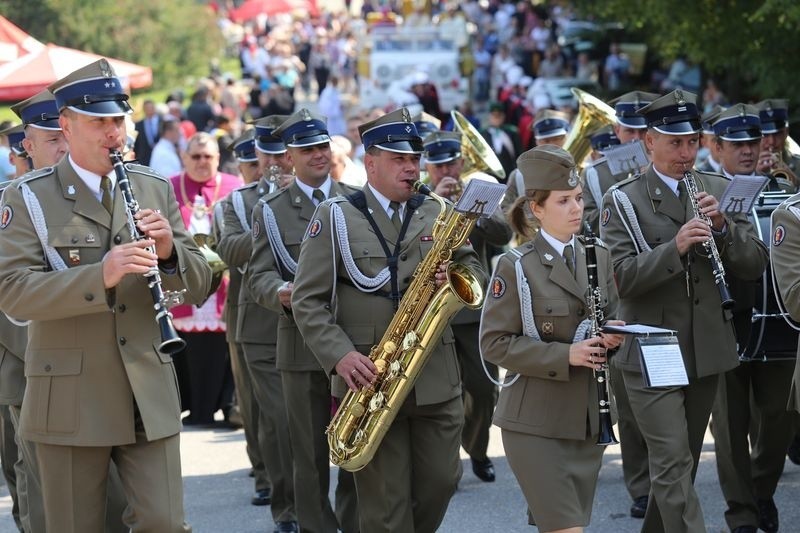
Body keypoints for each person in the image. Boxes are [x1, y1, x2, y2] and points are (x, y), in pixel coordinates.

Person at [0, 58, 212, 533]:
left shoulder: (152, 188)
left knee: (165, 522)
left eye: (118, 120)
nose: (113, 132)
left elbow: (196, 285)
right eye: (99, 122)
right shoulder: (28, 197)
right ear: (67, 125)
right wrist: (100, 277)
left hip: (147, 388)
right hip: (72, 394)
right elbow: (12, 293)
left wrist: (171, 254)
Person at [291, 108, 484, 532]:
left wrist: (453, 277)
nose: (412, 167)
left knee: (441, 483)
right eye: (399, 159)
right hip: (371, 379)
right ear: (371, 162)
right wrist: (339, 356)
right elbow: (307, 300)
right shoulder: (336, 214)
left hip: (435, 375)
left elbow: (474, 273)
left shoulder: (437, 209)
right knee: (385, 508)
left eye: (414, 157)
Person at [599, 89, 768, 532]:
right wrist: (674, 247)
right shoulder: (623, 200)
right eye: (674, 142)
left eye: (692, 141)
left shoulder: (717, 189)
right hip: (653, 347)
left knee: (683, 465)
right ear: (648, 142)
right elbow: (621, 279)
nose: (686, 152)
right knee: (672, 462)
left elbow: (753, 266)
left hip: (706, 348)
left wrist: (724, 228)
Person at [480, 145, 624, 532]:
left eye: (578, 199)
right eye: (563, 201)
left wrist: (612, 337)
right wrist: (567, 355)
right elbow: (494, 344)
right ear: (537, 208)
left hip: (586, 421)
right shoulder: (515, 266)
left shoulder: (600, 255)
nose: (576, 208)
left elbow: (609, 317)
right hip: (535, 424)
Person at [247, 109, 359, 533]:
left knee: (355, 443)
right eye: (307, 149)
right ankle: (316, 527)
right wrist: (278, 292)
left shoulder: (354, 199)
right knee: (308, 453)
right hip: (299, 343)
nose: (318, 155)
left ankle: (354, 522)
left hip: (353, 340)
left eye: (322, 146)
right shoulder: (271, 210)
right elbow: (258, 274)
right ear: (288, 157)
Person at [709, 104, 795, 533]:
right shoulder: (701, 189)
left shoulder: (782, 184)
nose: (748, 151)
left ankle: (761, 492)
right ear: (717, 147)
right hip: (725, 321)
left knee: (780, 417)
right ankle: (741, 512)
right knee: (729, 426)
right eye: (737, 144)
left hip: (778, 320)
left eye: (754, 142)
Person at [423, 130, 512, 483]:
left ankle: (476, 449)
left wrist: (473, 212)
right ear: (427, 166)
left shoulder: (479, 191)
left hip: (475, 311)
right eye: (438, 164)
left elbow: (504, 235)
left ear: (462, 162)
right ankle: (448, 466)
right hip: (434, 313)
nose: (445, 170)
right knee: (443, 394)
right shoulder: (417, 197)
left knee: (483, 388)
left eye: (451, 162)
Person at [169, 132, 243, 426]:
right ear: (184, 158)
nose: (202, 162)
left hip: (223, 284)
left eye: (208, 157)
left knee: (220, 348)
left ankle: (226, 404)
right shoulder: (169, 187)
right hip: (185, 282)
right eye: (195, 156)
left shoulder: (234, 187)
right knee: (189, 345)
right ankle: (194, 407)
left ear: (217, 159)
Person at [756, 99, 799, 193]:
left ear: (786, 132)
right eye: (765, 135)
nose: (771, 141)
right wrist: (753, 175)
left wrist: (797, 185)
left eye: (777, 134)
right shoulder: (743, 167)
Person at [133, 99, 161, 166]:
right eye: (147, 108)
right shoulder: (139, 125)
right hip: (145, 160)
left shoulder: (163, 122)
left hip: (161, 157)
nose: (149, 110)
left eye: (151, 108)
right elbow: (137, 145)